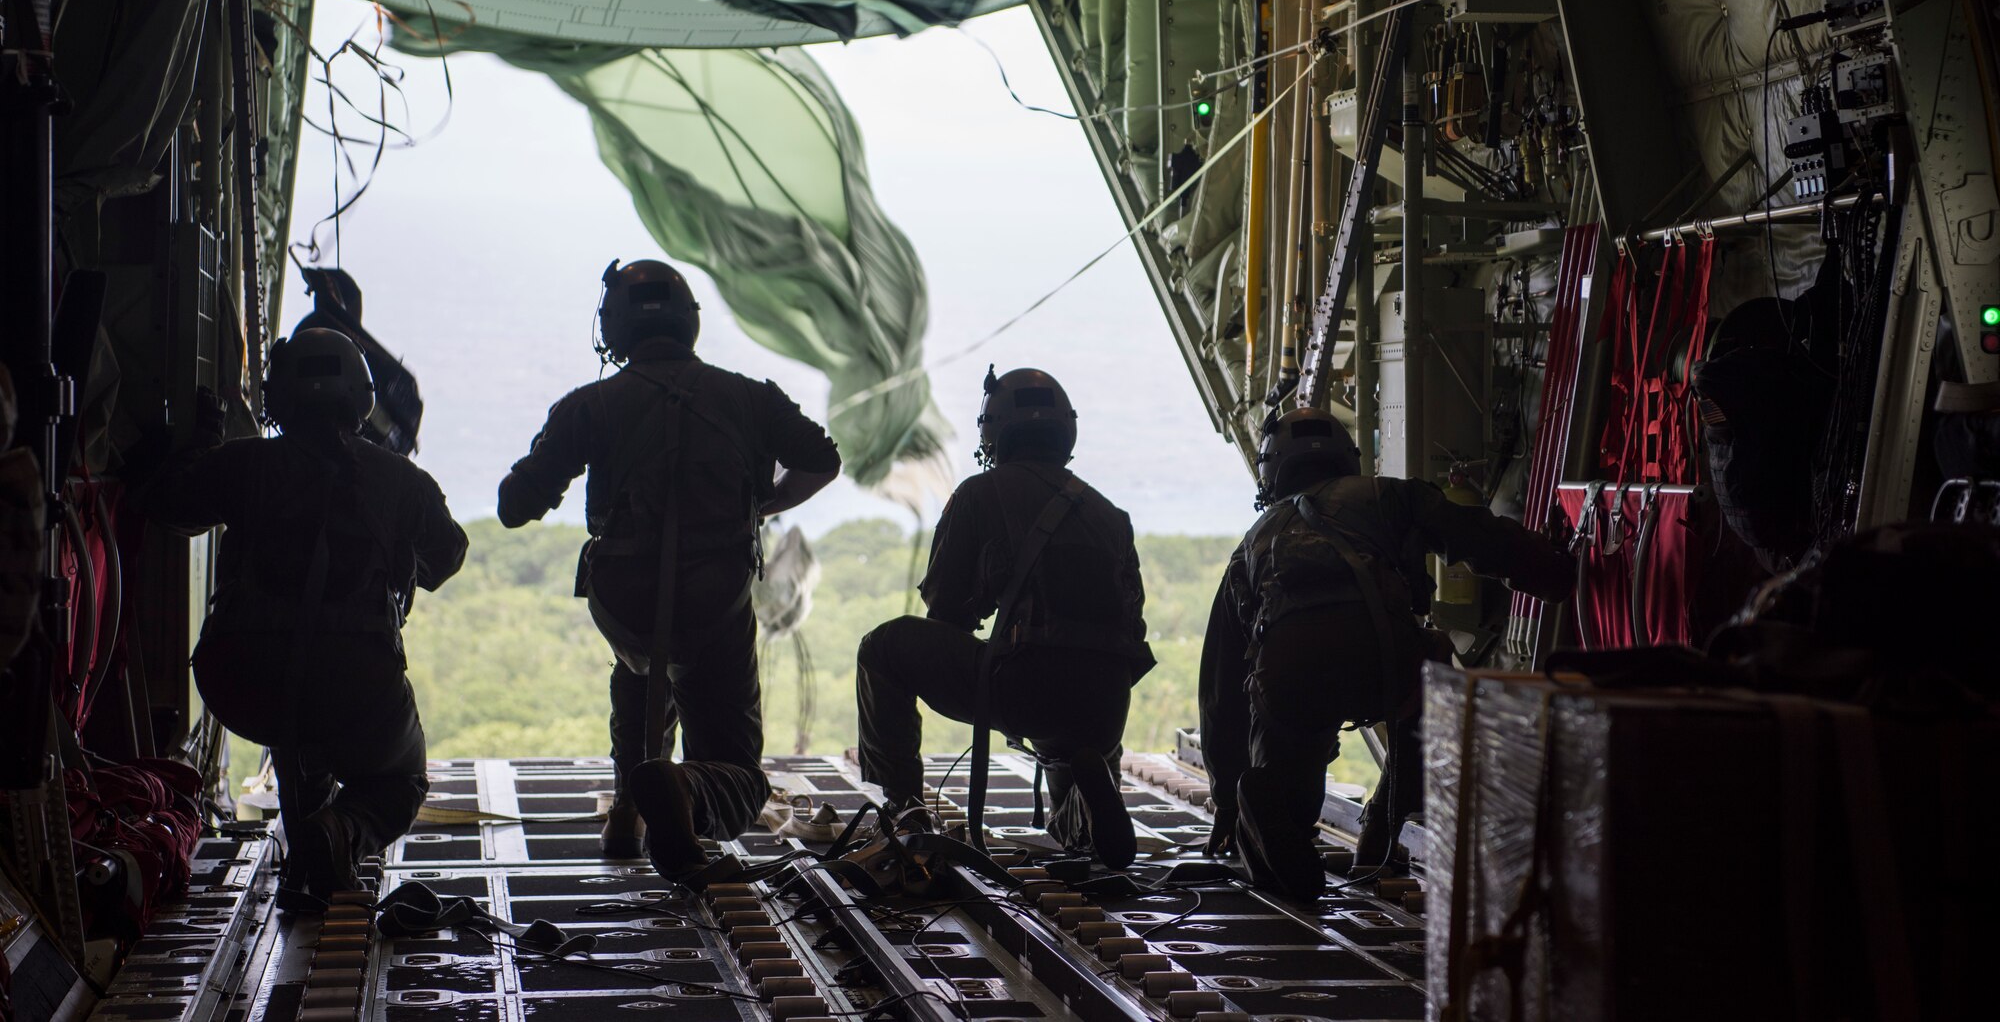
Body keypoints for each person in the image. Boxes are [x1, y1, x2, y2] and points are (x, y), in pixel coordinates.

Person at [497, 260, 840, 874]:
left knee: (643, 662)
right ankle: (687, 790)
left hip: (622, 601)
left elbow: (512, 507)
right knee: (740, 772)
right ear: (690, 326)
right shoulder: (750, 398)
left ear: (615, 328)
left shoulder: (590, 406)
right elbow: (821, 459)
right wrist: (762, 505)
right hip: (717, 600)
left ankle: (630, 806)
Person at [147, 329, 467, 908]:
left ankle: (313, 850)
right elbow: (446, 557)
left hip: (240, 675)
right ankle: (338, 832)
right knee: (399, 780)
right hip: (357, 679)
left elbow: (170, 504)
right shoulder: (400, 479)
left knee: (295, 721)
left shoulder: (245, 464)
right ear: (360, 398)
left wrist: (203, 442)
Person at [1199, 407, 1572, 899]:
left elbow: (1221, 688)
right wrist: (1555, 571)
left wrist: (1225, 797)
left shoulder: (1251, 543)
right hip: (1382, 665)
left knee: (1287, 812)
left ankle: (1263, 807)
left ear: (1272, 473)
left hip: (1291, 681)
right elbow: (1479, 538)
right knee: (1433, 659)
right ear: (1347, 459)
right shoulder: (1389, 494)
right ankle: (1385, 821)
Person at [855, 367, 1154, 869]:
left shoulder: (980, 493)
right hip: (1107, 703)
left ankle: (904, 808)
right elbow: (1131, 629)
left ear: (993, 432)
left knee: (883, 647)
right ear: (1066, 432)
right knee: (1074, 725)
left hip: (1027, 688)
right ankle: (1085, 795)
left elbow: (947, 612)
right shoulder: (1110, 514)